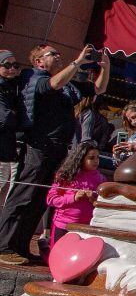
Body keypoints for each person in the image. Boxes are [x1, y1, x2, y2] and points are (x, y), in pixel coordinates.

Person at [0, 44, 108, 265]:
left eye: (59, 54)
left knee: (40, 200)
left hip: (58, 147)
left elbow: (97, 89)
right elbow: (54, 84)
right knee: (24, 195)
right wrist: (76, 62)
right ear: (39, 61)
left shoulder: (67, 86)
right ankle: (4, 246)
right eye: (52, 54)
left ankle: (20, 247)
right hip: (38, 146)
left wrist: (106, 67)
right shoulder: (34, 77)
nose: (58, 57)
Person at [44, 141, 103, 246]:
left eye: (98, 157)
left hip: (86, 228)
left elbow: (103, 204)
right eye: (91, 158)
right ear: (80, 158)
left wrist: (93, 200)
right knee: (57, 257)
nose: (96, 161)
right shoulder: (66, 175)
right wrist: (73, 197)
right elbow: (51, 199)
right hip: (63, 225)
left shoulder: (100, 179)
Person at [0, 50, 21, 205]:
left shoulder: (15, 85)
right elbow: (5, 117)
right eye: (7, 65)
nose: (12, 68)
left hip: (7, 147)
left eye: (15, 65)